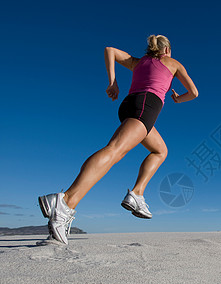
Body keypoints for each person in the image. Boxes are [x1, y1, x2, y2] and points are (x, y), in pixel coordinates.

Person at [38, 34, 199, 244]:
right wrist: (178, 98)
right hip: (146, 106)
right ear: (166, 50)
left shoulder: (138, 62)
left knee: (160, 150)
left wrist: (113, 83)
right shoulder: (173, 63)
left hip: (130, 105)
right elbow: (194, 92)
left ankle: (137, 194)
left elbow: (110, 50)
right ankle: (66, 201)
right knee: (115, 150)